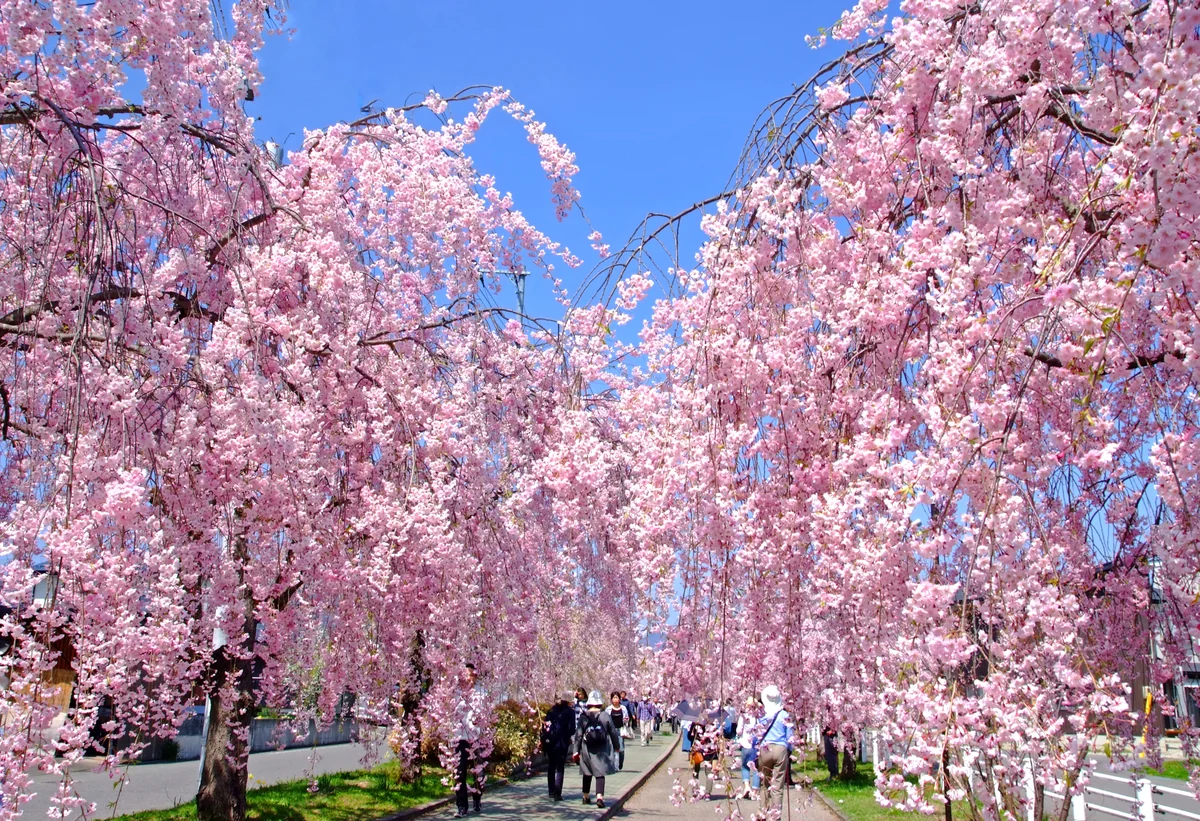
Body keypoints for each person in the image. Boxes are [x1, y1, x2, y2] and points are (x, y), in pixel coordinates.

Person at [450, 663, 487, 818]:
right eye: (467, 675)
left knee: (478, 771)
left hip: (476, 737)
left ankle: (477, 797)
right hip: (459, 737)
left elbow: (486, 713)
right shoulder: (455, 692)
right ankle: (462, 806)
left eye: (472, 675)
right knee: (459, 772)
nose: (469, 678)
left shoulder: (481, 692)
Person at [574, 690, 621, 808]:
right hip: (602, 748)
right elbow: (613, 732)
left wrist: (576, 751)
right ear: (600, 703)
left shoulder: (583, 717)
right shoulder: (605, 715)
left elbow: (578, 735)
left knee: (587, 772)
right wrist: (617, 746)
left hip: (586, 748)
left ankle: (585, 796)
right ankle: (599, 797)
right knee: (600, 773)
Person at [754, 685, 793, 809]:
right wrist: (789, 750)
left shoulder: (761, 715)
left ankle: (763, 811)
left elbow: (756, 734)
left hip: (765, 748)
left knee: (764, 783)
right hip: (780, 748)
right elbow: (790, 737)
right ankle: (775, 814)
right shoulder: (784, 714)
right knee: (777, 785)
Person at [542, 691, 576, 800]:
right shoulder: (570, 712)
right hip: (562, 742)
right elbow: (572, 729)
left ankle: (551, 791)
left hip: (550, 741)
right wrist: (566, 734)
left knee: (551, 765)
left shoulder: (552, 710)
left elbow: (545, 725)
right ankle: (557, 793)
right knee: (560, 767)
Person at [736, 697, 762, 800]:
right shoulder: (759, 716)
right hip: (756, 746)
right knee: (756, 768)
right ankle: (754, 791)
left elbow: (738, 731)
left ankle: (747, 786)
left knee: (745, 767)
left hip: (745, 745)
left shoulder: (743, 716)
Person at [606, 691, 630, 769]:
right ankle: (614, 765)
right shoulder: (608, 709)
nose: (615, 699)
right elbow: (605, 719)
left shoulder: (623, 708)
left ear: (619, 699)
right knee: (613, 748)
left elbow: (626, 718)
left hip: (620, 730)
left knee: (621, 749)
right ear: (611, 699)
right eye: (613, 698)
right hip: (611, 731)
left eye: (616, 697)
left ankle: (620, 762)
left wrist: (626, 720)